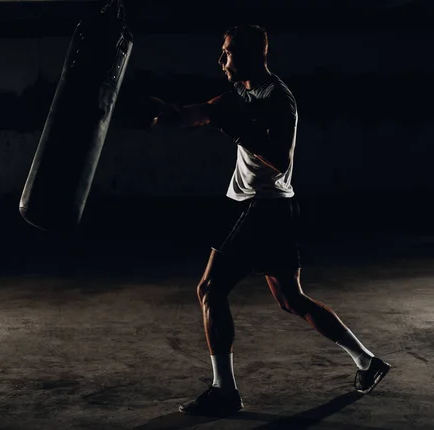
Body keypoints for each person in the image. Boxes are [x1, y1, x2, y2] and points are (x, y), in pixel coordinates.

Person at [143, 24, 391, 417]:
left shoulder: (279, 99)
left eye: (226, 53)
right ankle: (367, 361)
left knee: (210, 289)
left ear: (250, 55)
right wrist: (165, 112)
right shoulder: (240, 93)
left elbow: (280, 160)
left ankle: (225, 391)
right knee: (291, 300)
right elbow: (203, 113)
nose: (221, 60)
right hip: (255, 205)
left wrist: (235, 126)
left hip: (264, 206)